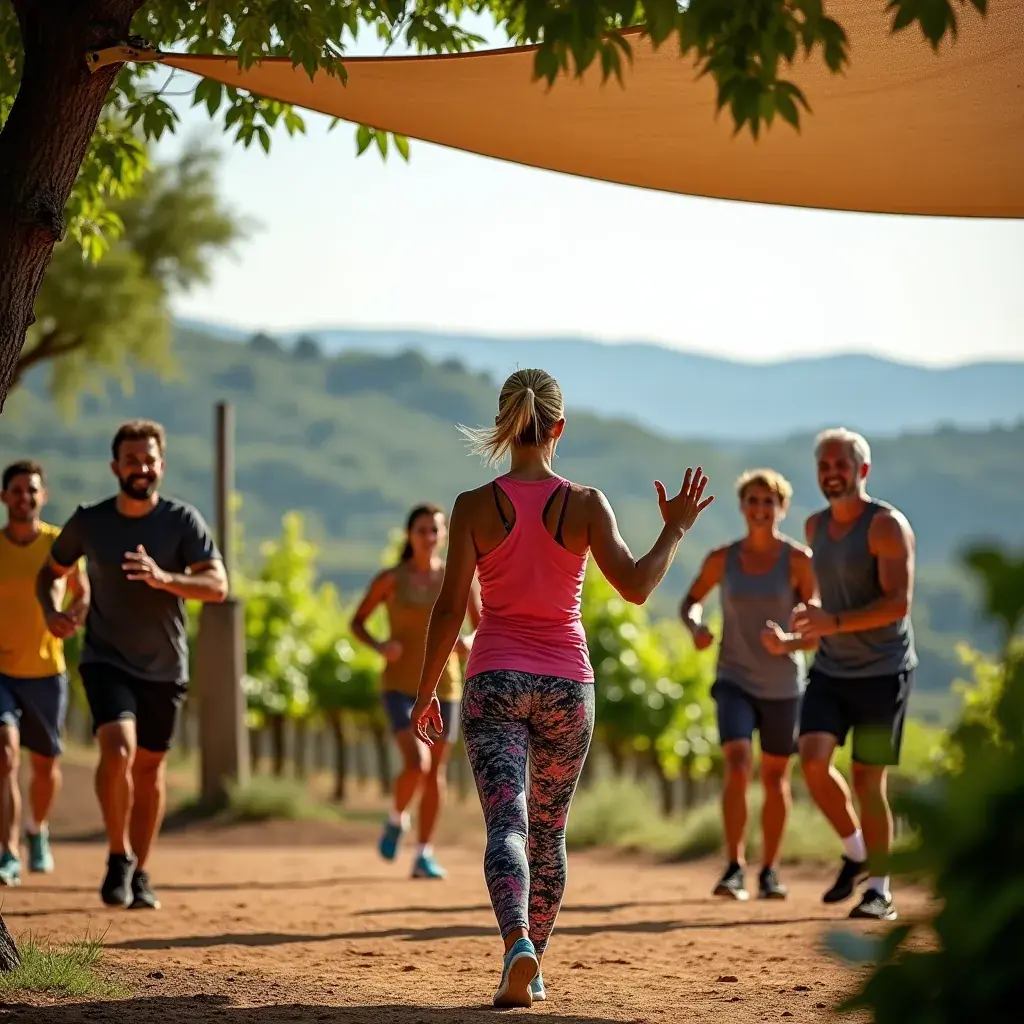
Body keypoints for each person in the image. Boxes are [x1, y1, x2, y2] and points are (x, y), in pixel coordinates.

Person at [408, 368, 713, 1008]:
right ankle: (535, 966)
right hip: (567, 688)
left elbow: (447, 610)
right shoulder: (586, 503)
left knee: (507, 827)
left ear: (504, 422)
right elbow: (635, 585)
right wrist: (675, 529)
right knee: (549, 831)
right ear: (559, 428)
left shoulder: (470, 506)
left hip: (493, 679)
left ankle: (516, 942)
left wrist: (426, 690)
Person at [36, 420, 227, 910]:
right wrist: (54, 611)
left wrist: (165, 579)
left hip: (165, 665)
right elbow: (52, 572)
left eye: (149, 460)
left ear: (160, 465)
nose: (141, 469)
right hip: (106, 658)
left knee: (148, 771)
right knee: (117, 749)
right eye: (131, 460)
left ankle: (141, 871)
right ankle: (117, 854)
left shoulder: (183, 522)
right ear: (114, 466)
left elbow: (217, 587)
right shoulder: (90, 522)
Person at [793, 427, 917, 922]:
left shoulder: (886, 526)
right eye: (824, 465)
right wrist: (801, 633)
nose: (831, 473)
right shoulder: (814, 527)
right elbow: (828, 599)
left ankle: (880, 890)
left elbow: (897, 604)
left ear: (862, 470)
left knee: (869, 780)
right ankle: (858, 851)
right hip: (832, 667)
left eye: (840, 465)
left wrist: (832, 622)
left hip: (884, 671)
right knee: (813, 762)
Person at [681, 468, 817, 903]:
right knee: (738, 763)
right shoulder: (723, 558)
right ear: (742, 507)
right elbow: (691, 602)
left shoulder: (799, 561)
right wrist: (697, 628)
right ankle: (734, 865)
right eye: (753, 501)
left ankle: (771, 870)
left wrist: (789, 643)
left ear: (782, 508)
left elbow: (817, 626)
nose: (760, 509)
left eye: (769, 502)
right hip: (734, 677)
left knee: (776, 776)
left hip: (782, 684)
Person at [350, 503, 481, 880]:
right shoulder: (391, 579)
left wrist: (468, 644)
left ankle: (424, 853)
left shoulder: (458, 577)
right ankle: (397, 818)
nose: (429, 537)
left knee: (435, 771)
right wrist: (380, 646)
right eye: (422, 530)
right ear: (410, 535)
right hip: (399, 686)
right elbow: (357, 622)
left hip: (446, 686)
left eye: (435, 530)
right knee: (416, 764)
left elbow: (479, 625)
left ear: (443, 536)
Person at [0, 460, 89, 885]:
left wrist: (73, 617)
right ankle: (9, 851)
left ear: (43, 496)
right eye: (16, 490)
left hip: (47, 671)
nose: (24, 497)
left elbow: (82, 593)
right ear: (4, 498)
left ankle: (38, 830)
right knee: (5, 754)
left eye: (31, 490)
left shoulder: (58, 545)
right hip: (0, 671)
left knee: (45, 766)